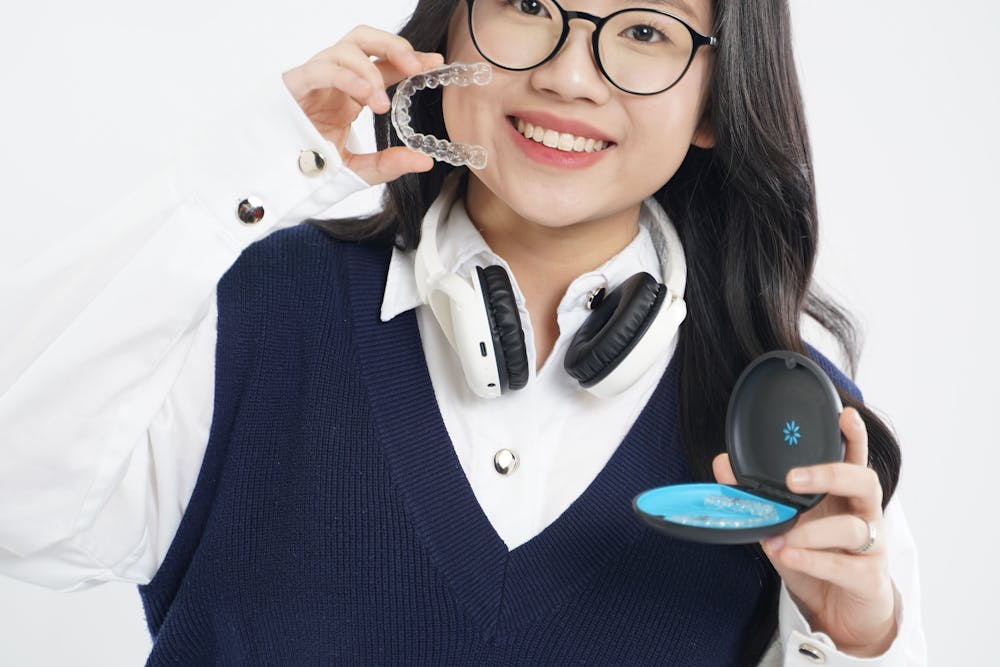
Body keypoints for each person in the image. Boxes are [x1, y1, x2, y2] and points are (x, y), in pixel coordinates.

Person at [0, 0, 927, 664]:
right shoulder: (250, 309)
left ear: (718, 102)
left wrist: (852, 639)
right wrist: (245, 174)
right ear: (450, 31)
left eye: (645, 32)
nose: (569, 75)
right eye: (528, 4)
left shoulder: (791, 427)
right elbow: (18, 504)